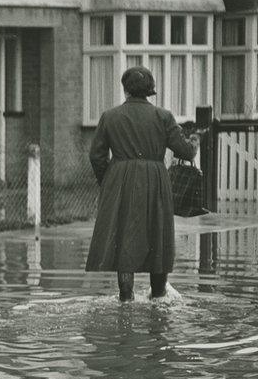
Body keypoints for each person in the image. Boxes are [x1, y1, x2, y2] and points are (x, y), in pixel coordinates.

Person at [85, 66, 199, 301]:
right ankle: (158, 297)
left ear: (125, 89)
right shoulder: (163, 116)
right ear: (150, 91)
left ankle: (125, 298)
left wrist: (108, 180)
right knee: (158, 234)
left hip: (120, 180)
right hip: (155, 179)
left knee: (124, 235)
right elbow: (185, 152)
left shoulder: (110, 116)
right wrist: (195, 142)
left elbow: (96, 155)